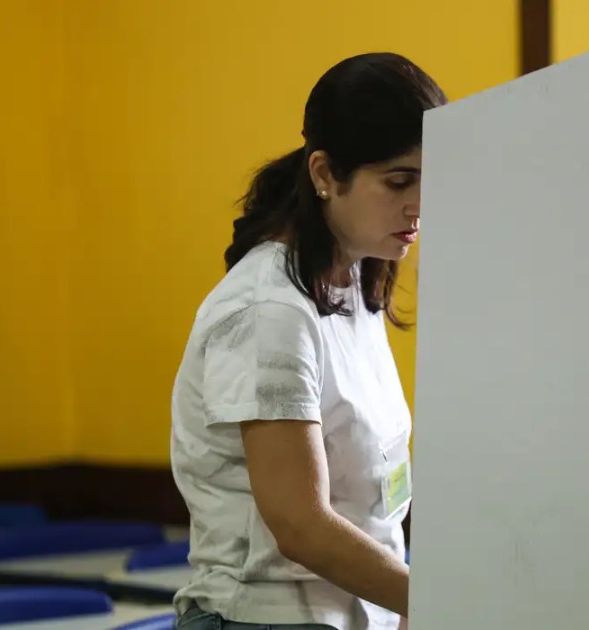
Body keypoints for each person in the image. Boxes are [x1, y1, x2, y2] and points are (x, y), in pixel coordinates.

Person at [169, 52, 447, 630]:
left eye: (434, 177)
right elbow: (301, 526)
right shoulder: (269, 308)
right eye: (399, 181)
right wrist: (438, 602)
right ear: (324, 175)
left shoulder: (355, 279)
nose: (421, 204)